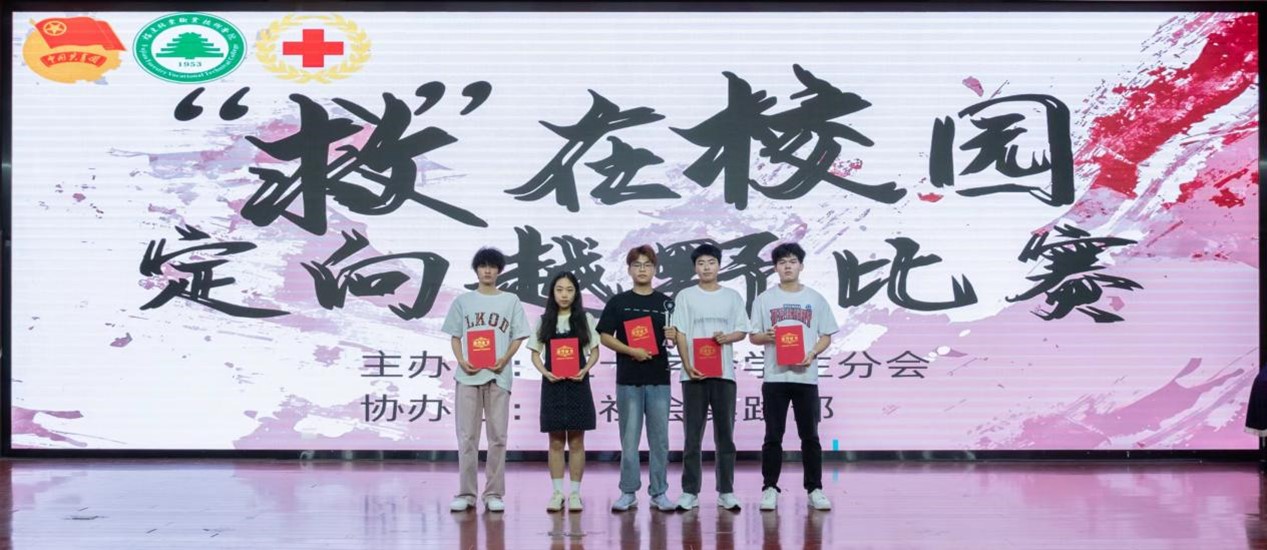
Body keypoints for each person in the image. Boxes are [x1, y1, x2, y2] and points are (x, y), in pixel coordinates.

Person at [748, 242, 837, 512]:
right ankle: (769, 488)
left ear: (801, 266)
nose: (787, 266)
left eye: (792, 261)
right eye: (782, 262)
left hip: (805, 377)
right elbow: (754, 336)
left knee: (810, 436)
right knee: (773, 436)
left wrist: (812, 353)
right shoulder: (764, 299)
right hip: (775, 377)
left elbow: (826, 336)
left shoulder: (815, 299)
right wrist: (767, 336)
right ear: (775, 268)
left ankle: (815, 488)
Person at [441, 247, 530, 513]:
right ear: (476, 269)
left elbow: (519, 336)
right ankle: (466, 493)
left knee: (498, 437)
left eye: (492, 266)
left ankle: (493, 493)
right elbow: (455, 336)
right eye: (483, 266)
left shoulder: (510, 300)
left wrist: (504, 359)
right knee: (467, 437)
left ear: (499, 270)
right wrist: (461, 360)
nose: (487, 271)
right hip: (468, 376)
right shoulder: (463, 301)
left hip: (498, 376)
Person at [668, 243, 750, 511]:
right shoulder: (685, 296)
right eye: (701, 263)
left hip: (724, 374)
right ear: (695, 267)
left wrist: (727, 337)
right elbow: (680, 332)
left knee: (725, 435)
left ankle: (726, 491)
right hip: (693, 375)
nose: (706, 268)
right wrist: (687, 364)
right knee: (692, 436)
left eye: (711, 262)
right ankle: (689, 491)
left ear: (719, 265)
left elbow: (742, 330)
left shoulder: (732, 297)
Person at [597, 245, 677, 512]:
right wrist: (631, 350)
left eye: (647, 264)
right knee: (629, 440)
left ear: (655, 269)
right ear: (629, 269)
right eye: (637, 265)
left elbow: (675, 338)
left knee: (660, 441)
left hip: (659, 379)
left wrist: (673, 337)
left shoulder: (666, 303)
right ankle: (628, 491)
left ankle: (659, 492)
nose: (642, 269)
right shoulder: (618, 302)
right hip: (629, 379)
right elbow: (604, 336)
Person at [528, 272, 601, 512]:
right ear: (552, 293)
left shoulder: (585, 318)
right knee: (556, 441)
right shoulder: (544, 320)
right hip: (553, 385)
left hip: (579, 384)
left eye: (569, 290)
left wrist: (585, 370)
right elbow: (535, 354)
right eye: (559, 290)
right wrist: (546, 373)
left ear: (576, 293)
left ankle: (575, 494)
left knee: (577, 440)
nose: (564, 294)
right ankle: (557, 493)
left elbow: (594, 352)